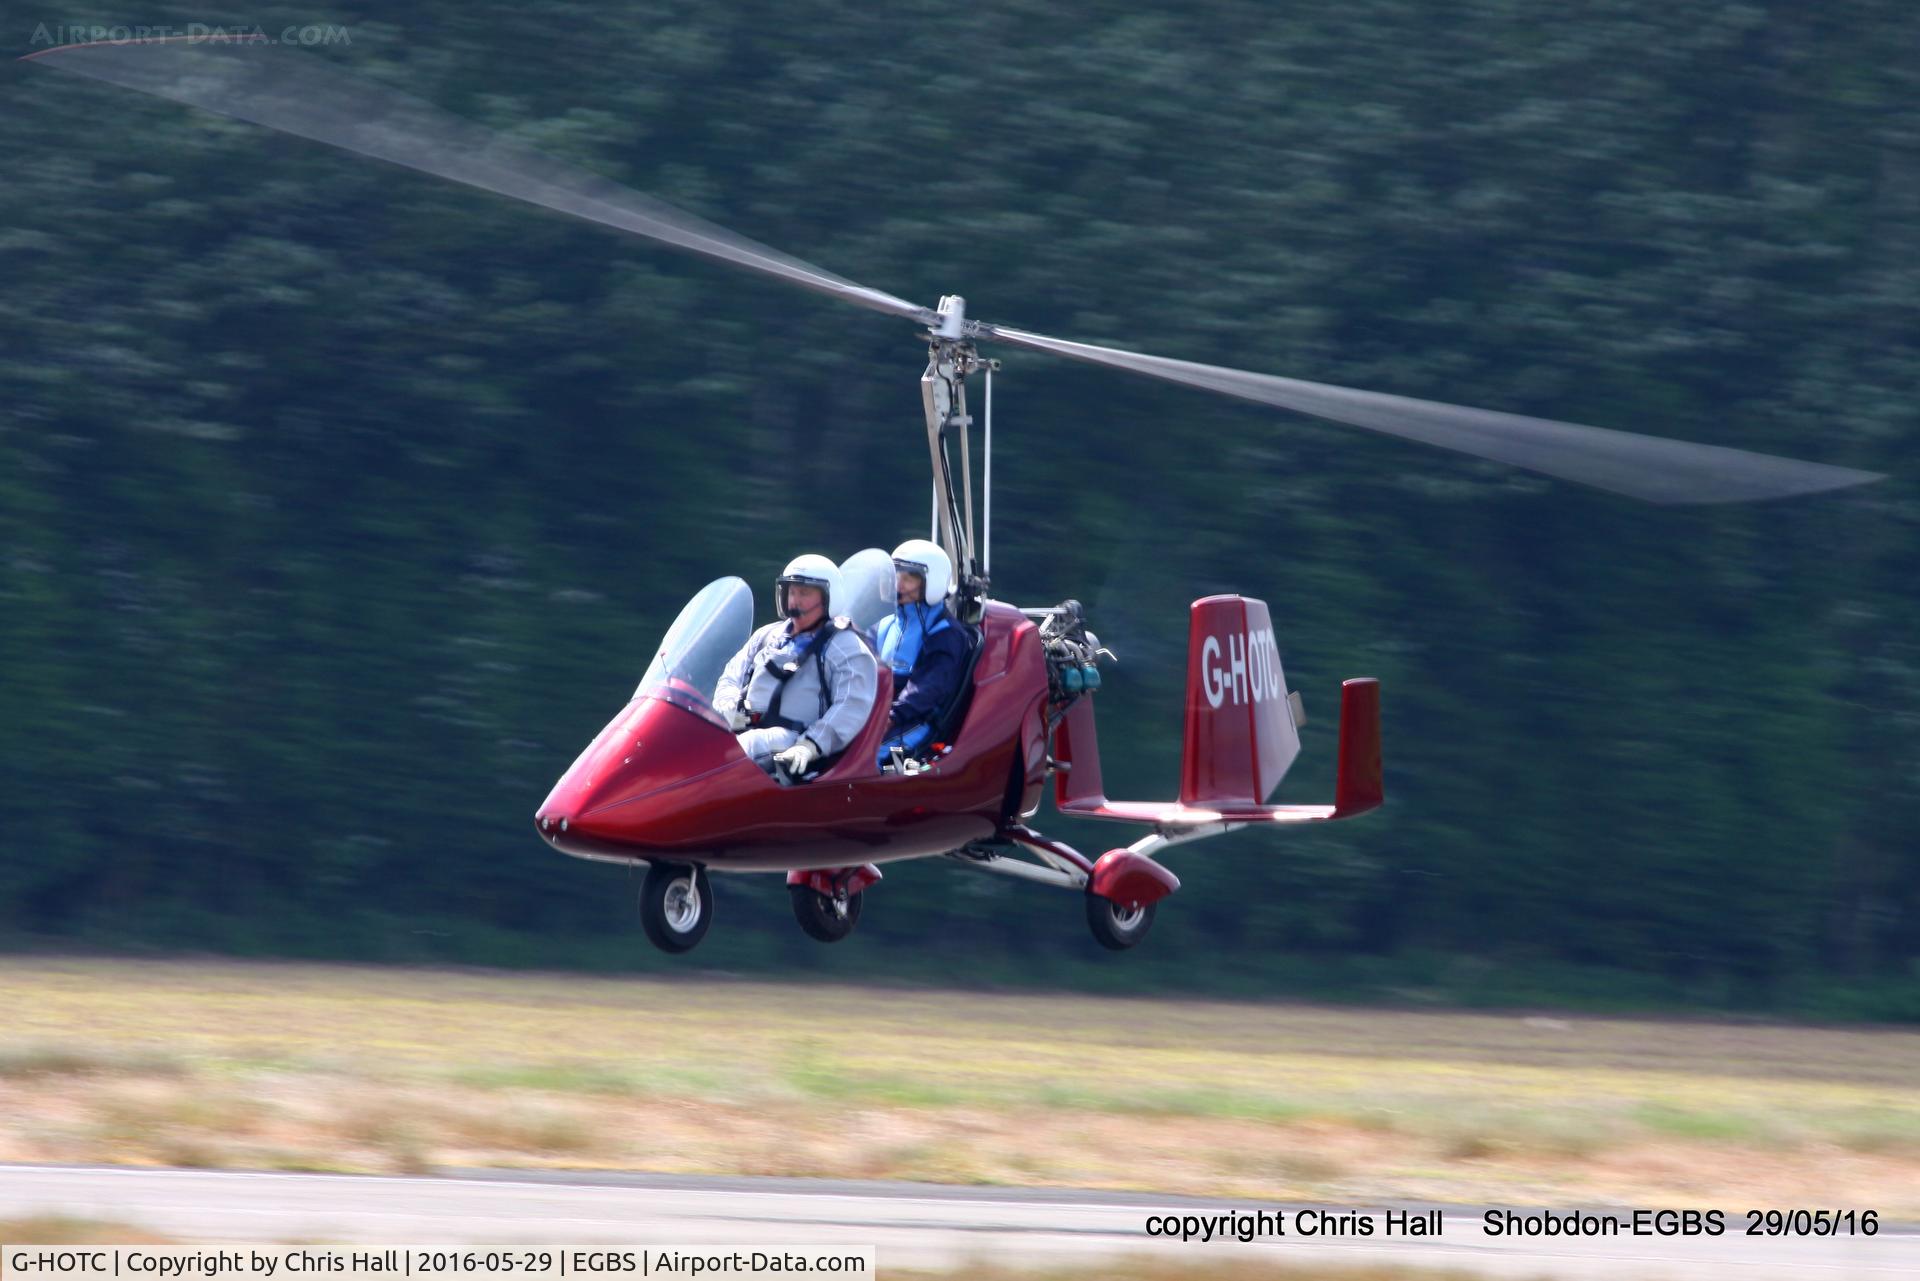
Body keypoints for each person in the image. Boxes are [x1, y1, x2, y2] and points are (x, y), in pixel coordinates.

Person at [714, 554, 878, 781]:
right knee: (698, 743)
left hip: (795, 741)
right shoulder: (766, 636)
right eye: (791, 591)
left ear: (828, 597)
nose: (794, 601)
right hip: (742, 728)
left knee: (745, 747)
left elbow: (851, 706)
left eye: (804, 593)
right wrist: (728, 706)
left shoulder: (846, 648)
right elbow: (731, 677)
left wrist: (811, 745)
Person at [873, 539, 970, 767]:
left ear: (931, 583)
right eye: (895, 576)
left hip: (915, 719)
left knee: (867, 756)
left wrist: (891, 717)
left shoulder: (944, 632)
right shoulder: (886, 624)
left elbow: (928, 689)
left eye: (908, 578)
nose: (899, 585)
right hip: (878, 713)